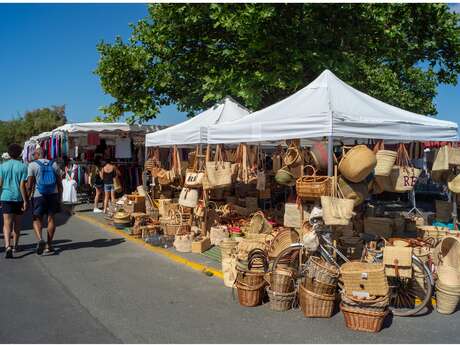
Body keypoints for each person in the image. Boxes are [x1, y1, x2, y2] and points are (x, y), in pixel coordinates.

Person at [27, 146, 62, 255]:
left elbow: (29, 185)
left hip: (39, 195)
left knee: (37, 219)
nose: (33, 156)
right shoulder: (54, 164)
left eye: (34, 155)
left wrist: (27, 198)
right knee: (51, 219)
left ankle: (40, 239)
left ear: (37, 155)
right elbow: (59, 183)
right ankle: (49, 245)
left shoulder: (32, 165)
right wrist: (60, 197)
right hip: (53, 194)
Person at [0, 144, 28, 258]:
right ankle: (16, 246)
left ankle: (8, 246)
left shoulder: (2, 166)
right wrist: (25, 200)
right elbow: (22, 185)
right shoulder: (23, 167)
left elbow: (0, 184)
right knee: (17, 223)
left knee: (7, 223)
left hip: (5, 196)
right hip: (18, 198)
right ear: (20, 153)